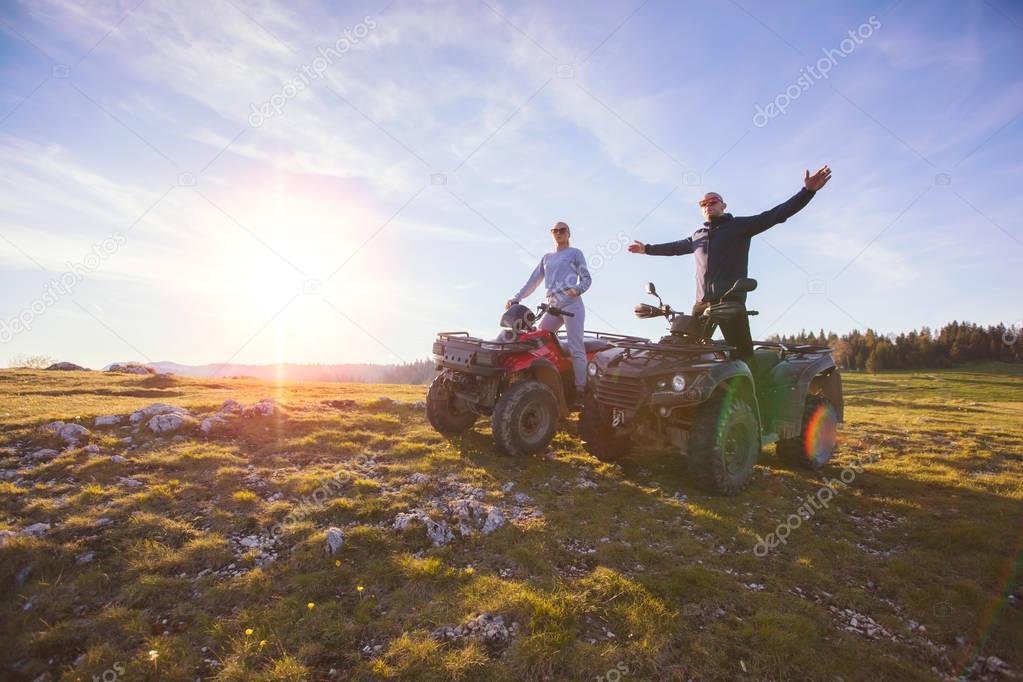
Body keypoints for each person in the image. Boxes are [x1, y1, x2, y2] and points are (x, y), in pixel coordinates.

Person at [628, 166, 832, 367]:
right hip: (701, 304)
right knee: (687, 354)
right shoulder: (697, 236)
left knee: (742, 357)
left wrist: (807, 192)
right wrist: (647, 249)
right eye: (702, 203)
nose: (707, 205)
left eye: (712, 201)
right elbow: (673, 247)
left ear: (723, 205)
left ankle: (753, 397)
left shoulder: (739, 226)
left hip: (730, 303)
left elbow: (776, 214)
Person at [506, 221, 592, 405]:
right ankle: (546, 381)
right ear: (551, 234)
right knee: (537, 339)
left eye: (562, 230)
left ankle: (580, 390)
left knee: (576, 346)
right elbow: (533, 281)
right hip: (552, 304)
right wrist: (516, 299)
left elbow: (586, 278)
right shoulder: (547, 258)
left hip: (572, 303)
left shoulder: (575, 253)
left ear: (568, 233)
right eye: (555, 231)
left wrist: (577, 289)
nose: (559, 233)